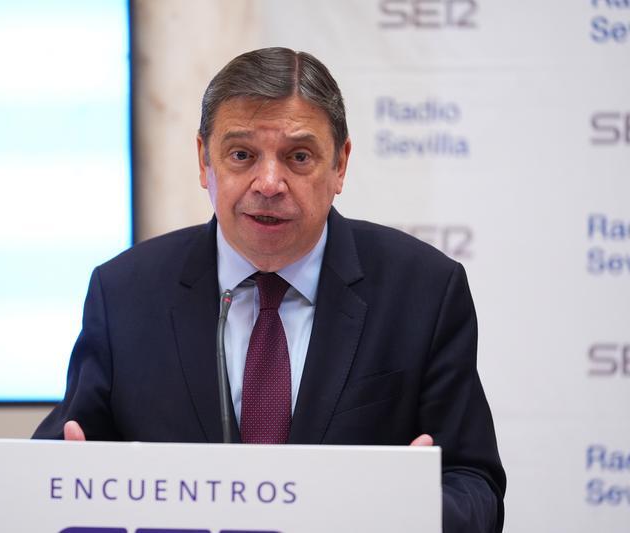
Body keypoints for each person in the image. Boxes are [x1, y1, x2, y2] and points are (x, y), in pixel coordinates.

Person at [34, 47, 506, 532]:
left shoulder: (423, 290)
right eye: (242, 155)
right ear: (204, 161)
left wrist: (415, 511)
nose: (269, 183)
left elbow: (476, 485)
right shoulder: (125, 293)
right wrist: (58, 483)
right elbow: (60, 460)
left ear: (340, 165)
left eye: (298, 157)